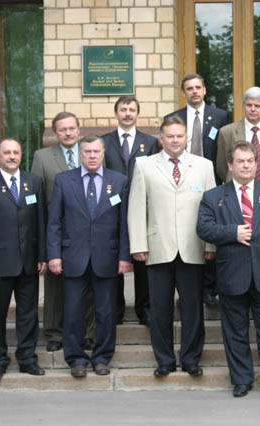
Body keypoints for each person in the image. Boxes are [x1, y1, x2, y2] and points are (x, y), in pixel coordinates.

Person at [197, 141, 260, 399]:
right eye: (241, 161)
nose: (246, 165)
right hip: (232, 275)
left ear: (256, 163)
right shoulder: (214, 197)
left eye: (250, 161)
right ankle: (241, 380)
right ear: (230, 165)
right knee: (235, 332)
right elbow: (203, 228)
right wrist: (232, 232)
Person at [128, 116, 216, 377]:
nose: (175, 140)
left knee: (192, 309)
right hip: (158, 247)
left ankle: (191, 359)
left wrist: (210, 244)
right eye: (170, 136)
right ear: (161, 139)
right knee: (160, 309)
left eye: (179, 136)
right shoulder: (144, 165)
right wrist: (138, 244)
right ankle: (165, 360)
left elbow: (211, 208)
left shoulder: (204, 166)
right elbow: (137, 208)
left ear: (186, 137)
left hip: (193, 246)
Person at [46, 135, 131, 378]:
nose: (92, 156)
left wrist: (124, 256)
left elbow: (124, 222)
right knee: (73, 311)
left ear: (103, 154)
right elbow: (54, 222)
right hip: (73, 257)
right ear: (80, 154)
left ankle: (102, 357)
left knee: (106, 312)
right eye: (87, 152)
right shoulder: (64, 180)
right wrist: (54, 255)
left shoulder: (119, 181)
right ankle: (76, 359)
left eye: (96, 151)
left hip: (108, 257)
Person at [0, 138, 47, 380]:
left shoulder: (34, 182)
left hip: (29, 263)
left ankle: (27, 359)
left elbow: (41, 221)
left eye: (16, 152)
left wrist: (42, 255)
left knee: (28, 315)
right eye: (7, 152)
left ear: (21, 155)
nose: (12, 156)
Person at [31, 112, 95, 352]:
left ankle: (88, 334)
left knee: (89, 285)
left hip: (88, 231)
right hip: (57, 231)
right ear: (55, 133)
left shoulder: (91, 152)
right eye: (62, 129)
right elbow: (37, 200)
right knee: (55, 287)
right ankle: (54, 333)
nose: (68, 133)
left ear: (78, 130)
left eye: (71, 128)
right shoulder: (42, 157)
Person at [164, 73, 229, 307]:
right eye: (189, 88)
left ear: (204, 90)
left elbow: (224, 148)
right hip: (181, 182)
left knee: (210, 232)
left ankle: (209, 288)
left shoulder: (220, 116)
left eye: (197, 87)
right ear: (183, 93)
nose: (194, 91)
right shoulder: (173, 118)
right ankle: (186, 290)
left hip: (210, 180)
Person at [102, 96, 159, 326]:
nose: (127, 113)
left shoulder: (150, 142)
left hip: (142, 207)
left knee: (142, 258)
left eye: (132, 110)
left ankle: (144, 308)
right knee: (114, 257)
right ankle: (116, 308)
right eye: (123, 109)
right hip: (112, 207)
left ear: (138, 114)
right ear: (116, 113)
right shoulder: (104, 141)